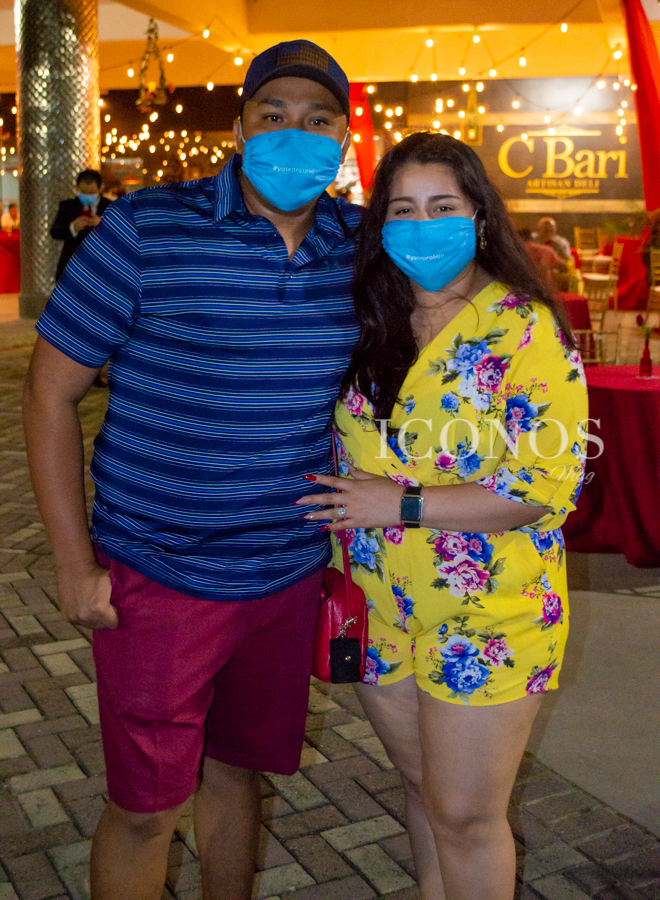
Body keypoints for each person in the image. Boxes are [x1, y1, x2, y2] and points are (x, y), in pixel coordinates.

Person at [23, 40, 358, 900]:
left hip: (286, 570)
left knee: (237, 772)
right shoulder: (148, 228)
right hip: (160, 571)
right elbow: (50, 392)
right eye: (273, 115)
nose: (294, 134)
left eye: (317, 120)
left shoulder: (360, 248)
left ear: (343, 139)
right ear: (239, 128)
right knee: (145, 808)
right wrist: (73, 563)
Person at [297, 132, 588, 900]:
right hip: (377, 606)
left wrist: (397, 503)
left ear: (479, 216)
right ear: (380, 224)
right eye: (403, 209)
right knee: (423, 792)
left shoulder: (524, 329)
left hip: (487, 613)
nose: (422, 226)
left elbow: (544, 486)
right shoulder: (369, 319)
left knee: (465, 816)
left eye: (442, 206)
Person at [49, 169, 111, 281]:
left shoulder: (110, 207)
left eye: (91, 193)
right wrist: (73, 227)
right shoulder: (67, 206)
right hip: (72, 265)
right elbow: (55, 231)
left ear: (100, 188)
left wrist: (103, 224)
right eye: (83, 192)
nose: (87, 196)